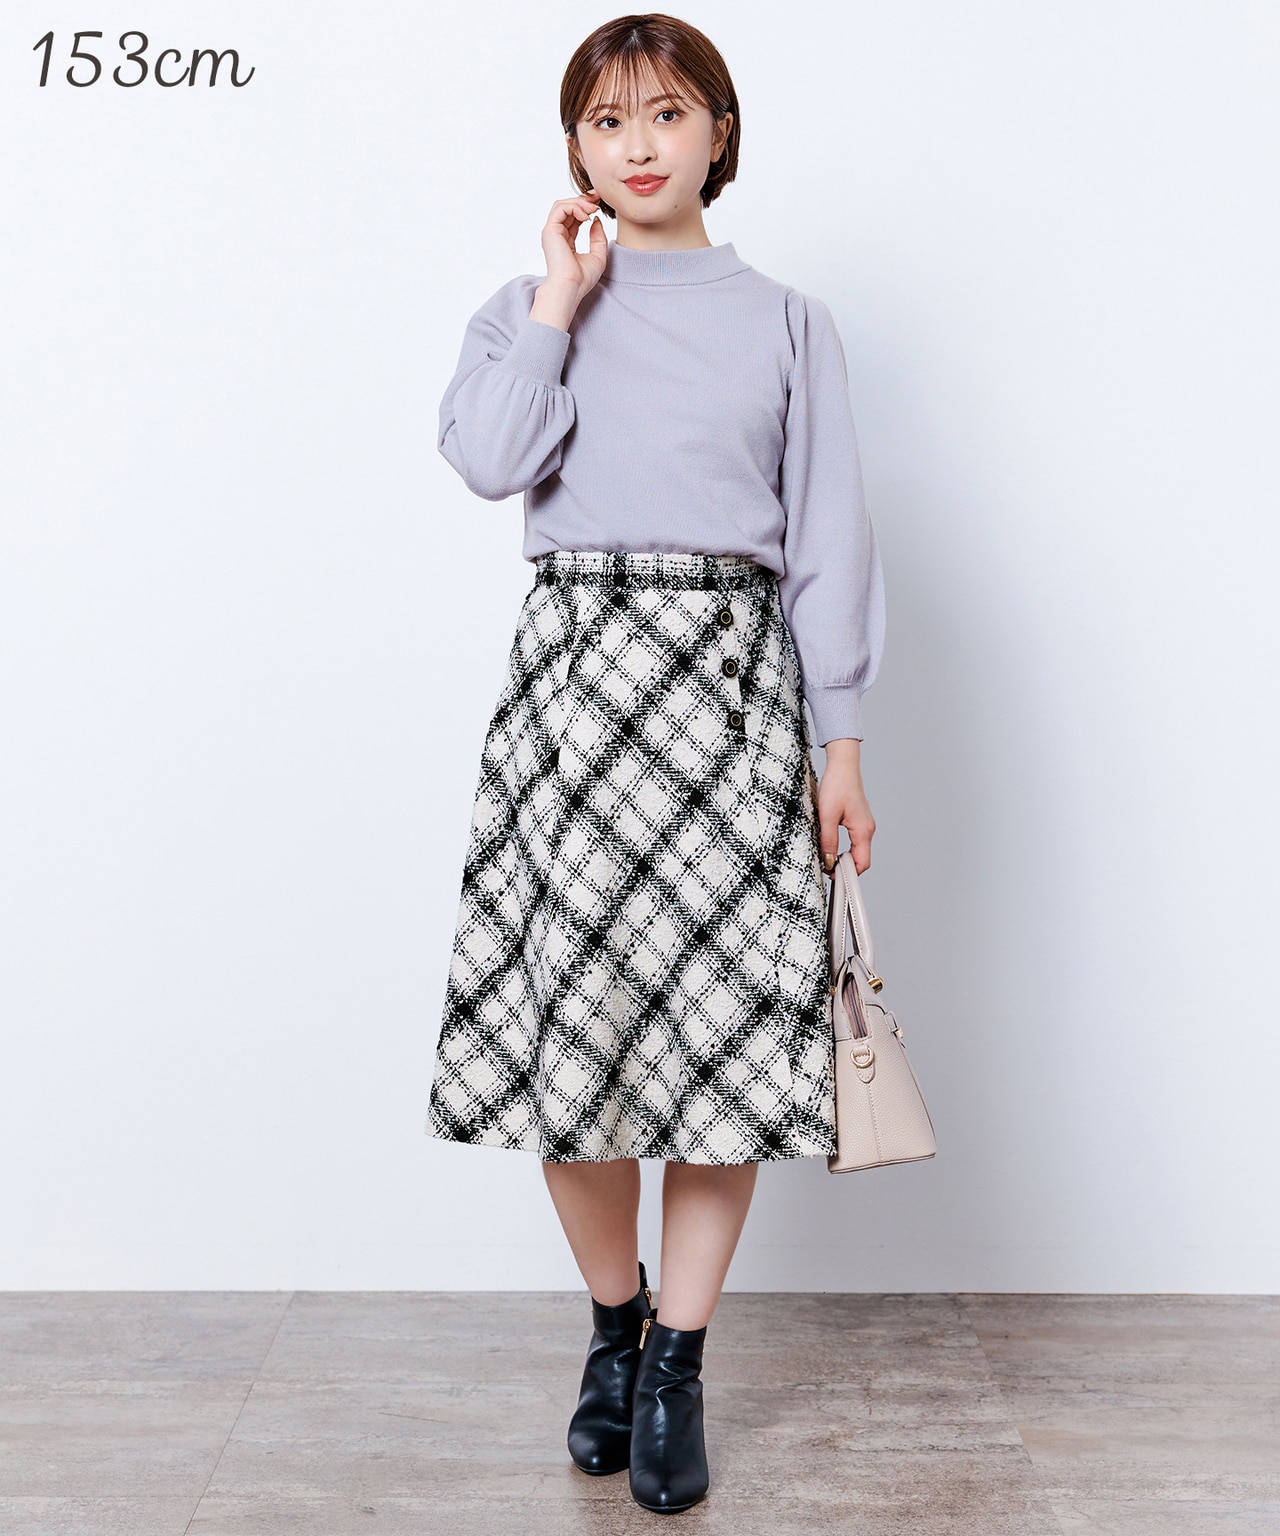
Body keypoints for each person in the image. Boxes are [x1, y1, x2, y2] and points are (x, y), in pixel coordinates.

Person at [425, 13, 884, 1515]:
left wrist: (839, 741)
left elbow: (828, 541)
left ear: (718, 135)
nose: (638, 144)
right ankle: (613, 1331)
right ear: (574, 145)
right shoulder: (525, 310)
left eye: (668, 113)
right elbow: (491, 461)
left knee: (722, 1051)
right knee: (576, 1049)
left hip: (733, 701)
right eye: (609, 118)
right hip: (576, 702)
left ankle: (678, 1365)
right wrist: (562, 303)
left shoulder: (789, 323)